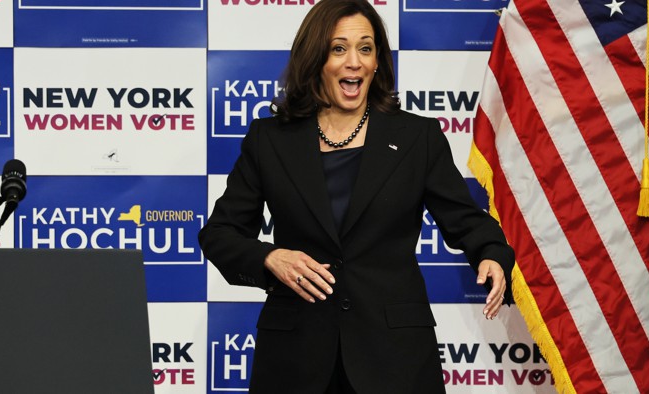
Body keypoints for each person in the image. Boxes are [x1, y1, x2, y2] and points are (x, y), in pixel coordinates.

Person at [198, 0, 514, 392]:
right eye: (338, 48)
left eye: (365, 48)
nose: (354, 62)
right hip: (296, 359)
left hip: (395, 358)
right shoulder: (270, 140)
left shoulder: (417, 137)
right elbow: (220, 233)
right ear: (315, 59)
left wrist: (491, 254)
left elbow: (466, 219)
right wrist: (269, 256)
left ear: (377, 60)